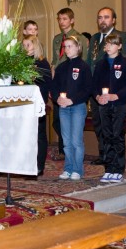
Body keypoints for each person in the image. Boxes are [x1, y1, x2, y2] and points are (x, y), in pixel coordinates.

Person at [86, 7, 126, 165]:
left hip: (115, 91)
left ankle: (115, 160)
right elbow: (90, 62)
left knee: (115, 129)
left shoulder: (122, 37)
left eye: (106, 17)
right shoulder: (94, 38)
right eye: (100, 17)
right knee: (99, 124)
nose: (103, 20)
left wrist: (116, 92)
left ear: (113, 20)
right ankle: (104, 154)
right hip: (97, 89)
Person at [93, 33, 126, 183]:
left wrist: (116, 96)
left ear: (119, 46)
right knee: (106, 136)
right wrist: (98, 96)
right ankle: (109, 168)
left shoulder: (125, 63)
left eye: (112, 44)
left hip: (118, 104)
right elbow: (94, 84)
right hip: (103, 105)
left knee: (117, 135)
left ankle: (118, 169)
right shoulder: (100, 63)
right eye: (106, 44)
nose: (108, 47)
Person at [51, 35, 92, 181]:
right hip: (63, 108)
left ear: (78, 48)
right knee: (66, 141)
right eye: (65, 46)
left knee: (76, 140)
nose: (67, 49)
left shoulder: (84, 67)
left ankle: (77, 169)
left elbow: (87, 89)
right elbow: (54, 86)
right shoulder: (62, 67)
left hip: (77, 107)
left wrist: (72, 100)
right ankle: (68, 168)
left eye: (70, 46)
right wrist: (57, 99)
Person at [50, 8, 89, 158]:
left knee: (73, 123)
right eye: (59, 19)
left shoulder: (79, 38)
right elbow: (55, 60)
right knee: (58, 119)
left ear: (72, 20)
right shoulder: (57, 39)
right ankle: (64, 149)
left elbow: (83, 60)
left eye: (65, 19)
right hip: (60, 80)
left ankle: (73, 150)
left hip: (74, 80)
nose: (61, 22)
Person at [23, 35, 52, 176]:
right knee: (27, 134)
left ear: (35, 45)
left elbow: (46, 83)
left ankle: (39, 165)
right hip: (25, 103)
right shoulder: (22, 62)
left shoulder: (42, 63)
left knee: (39, 134)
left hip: (38, 102)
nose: (25, 48)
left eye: (28, 44)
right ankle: (28, 164)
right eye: (24, 45)